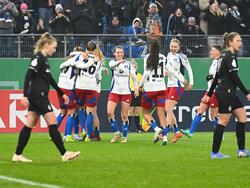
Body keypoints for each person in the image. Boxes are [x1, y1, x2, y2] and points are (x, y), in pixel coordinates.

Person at [12, 33, 80, 162]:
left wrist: (61, 93)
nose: (54, 50)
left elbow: (49, 79)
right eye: (53, 47)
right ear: (46, 45)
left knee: (30, 123)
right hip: (38, 96)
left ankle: (17, 154)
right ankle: (64, 153)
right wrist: (24, 96)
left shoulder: (44, 59)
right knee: (52, 122)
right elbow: (28, 76)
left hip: (38, 95)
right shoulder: (37, 58)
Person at [202, 32, 250, 159]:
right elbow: (234, 77)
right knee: (223, 121)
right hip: (226, 93)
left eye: (240, 40)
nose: (240, 43)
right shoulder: (229, 57)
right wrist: (247, 92)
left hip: (228, 93)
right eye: (238, 41)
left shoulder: (224, 56)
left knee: (242, 117)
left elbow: (217, 76)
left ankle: (241, 150)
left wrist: (209, 93)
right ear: (230, 42)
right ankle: (215, 152)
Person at [139, 39, 188, 145]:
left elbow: (146, 74)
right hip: (161, 89)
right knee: (161, 114)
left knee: (145, 113)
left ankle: (156, 129)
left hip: (150, 89)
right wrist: (182, 79)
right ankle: (165, 137)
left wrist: (140, 85)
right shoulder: (164, 57)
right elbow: (172, 70)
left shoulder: (147, 57)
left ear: (150, 47)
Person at [180, 46, 221, 137]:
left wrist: (211, 77)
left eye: (213, 50)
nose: (211, 52)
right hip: (209, 91)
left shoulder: (220, 62)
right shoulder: (214, 62)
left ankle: (219, 134)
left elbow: (220, 78)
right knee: (199, 110)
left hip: (215, 92)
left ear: (218, 52)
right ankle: (191, 132)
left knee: (213, 116)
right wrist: (210, 77)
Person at [107, 46, 139, 143]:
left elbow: (134, 78)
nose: (119, 54)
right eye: (117, 52)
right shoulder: (112, 62)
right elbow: (112, 66)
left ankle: (124, 136)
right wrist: (119, 62)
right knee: (109, 112)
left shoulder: (128, 65)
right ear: (114, 54)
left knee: (124, 115)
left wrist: (136, 89)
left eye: (121, 52)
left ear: (123, 54)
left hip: (126, 93)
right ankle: (117, 133)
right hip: (114, 92)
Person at [165, 38, 193, 144]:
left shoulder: (182, 57)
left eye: (175, 47)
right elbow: (168, 68)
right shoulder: (168, 55)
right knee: (168, 110)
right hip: (169, 85)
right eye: (172, 46)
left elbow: (189, 69)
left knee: (168, 109)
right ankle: (177, 131)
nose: (173, 48)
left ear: (179, 48)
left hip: (178, 85)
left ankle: (165, 133)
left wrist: (191, 83)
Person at [74, 41, 102, 142]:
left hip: (80, 85)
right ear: (95, 50)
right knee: (91, 112)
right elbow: (98, 77)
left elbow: (74, 61)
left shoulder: (80, 56)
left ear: (86, 48)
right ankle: (89, 136)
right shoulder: (98, 61)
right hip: (92, 87)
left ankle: (83, 131)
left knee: (80, 109)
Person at [57, 47, 85, 142]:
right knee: (72, 112)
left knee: (62, 111)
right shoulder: (76, 61)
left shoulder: (67, 60)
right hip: (68, 88)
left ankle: (53, 134)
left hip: (60, 88)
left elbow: (60, 66)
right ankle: (68, 135)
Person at [128, 59, 143, 133]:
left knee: (137, 112)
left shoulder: (140, 75)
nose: (134, 68)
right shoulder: (129, 75)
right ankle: (127, 128)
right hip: (131, 92)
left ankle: (138, 128)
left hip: (139, 93)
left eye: (135, 66)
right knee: (130, 111)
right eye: (132, 66)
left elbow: (142, 84)